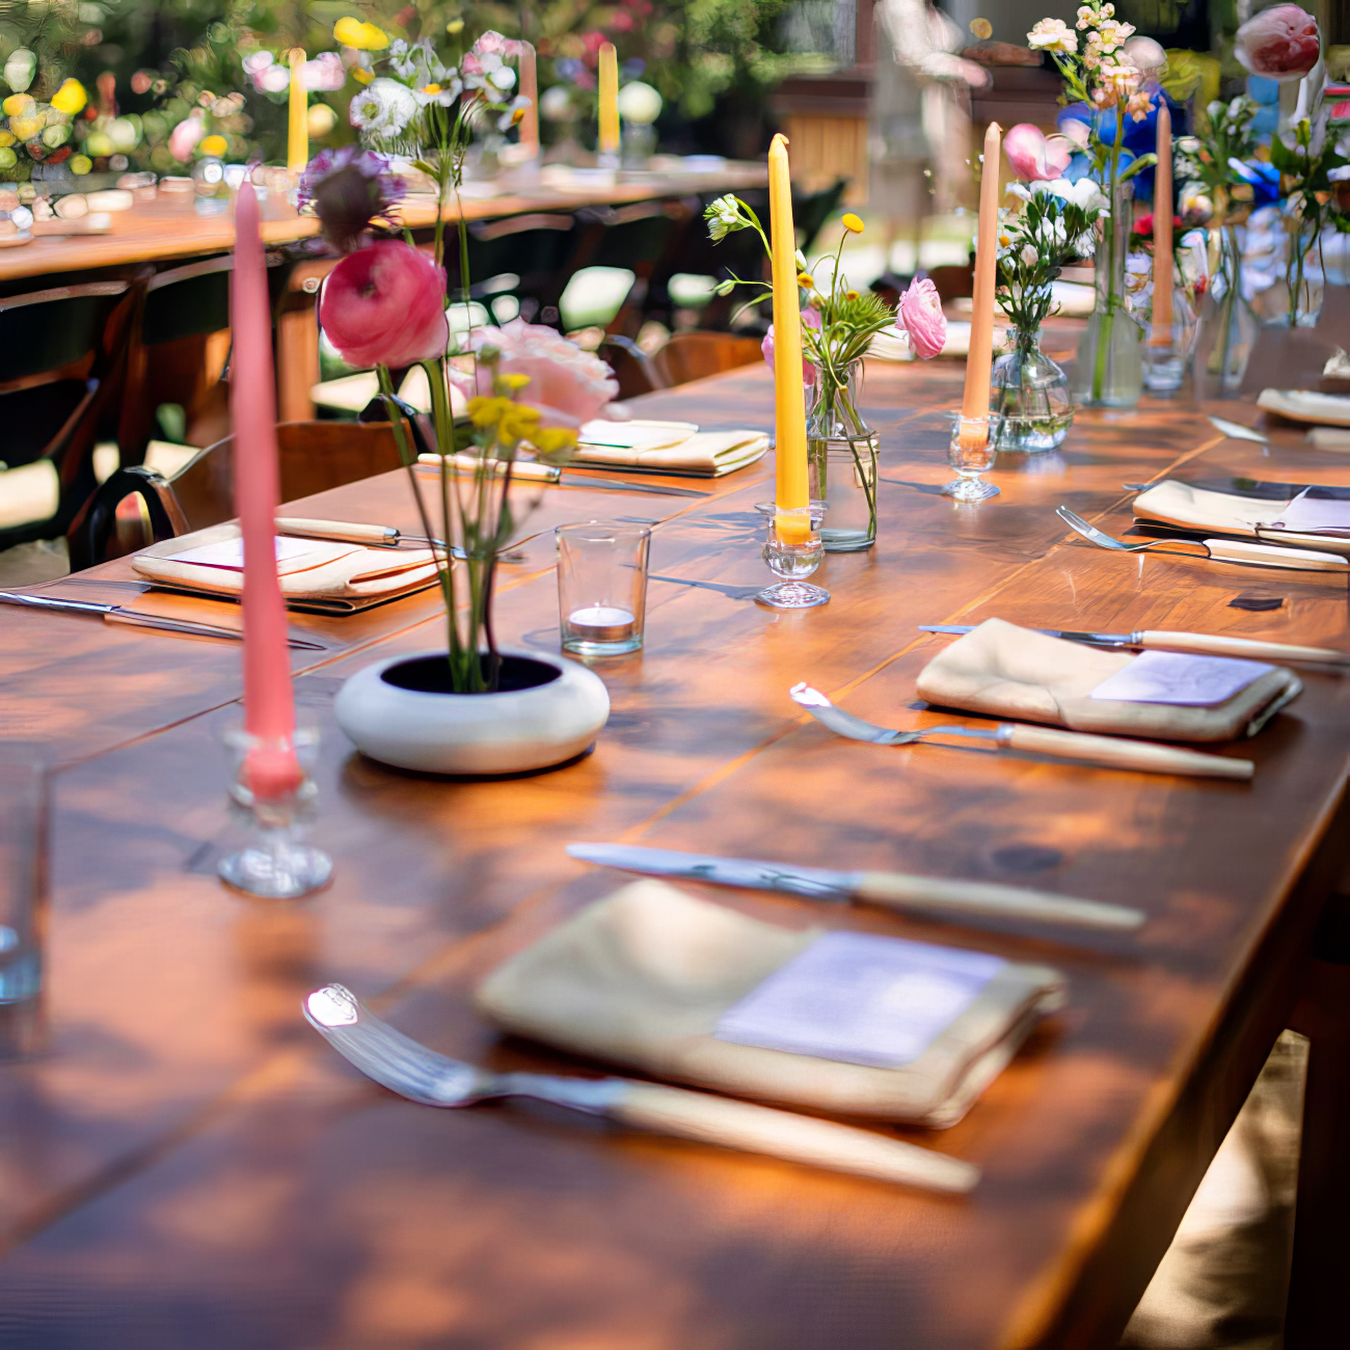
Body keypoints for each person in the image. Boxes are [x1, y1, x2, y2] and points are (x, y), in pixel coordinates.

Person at [868, 0, 989, 280]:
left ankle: (916, 265)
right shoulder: (901, 5)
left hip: (926, 116)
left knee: (921, 193)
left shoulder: (924, 7)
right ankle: (890, 270)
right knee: (900, 193)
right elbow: (914, 58)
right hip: (906, 115)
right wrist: (960, 69)